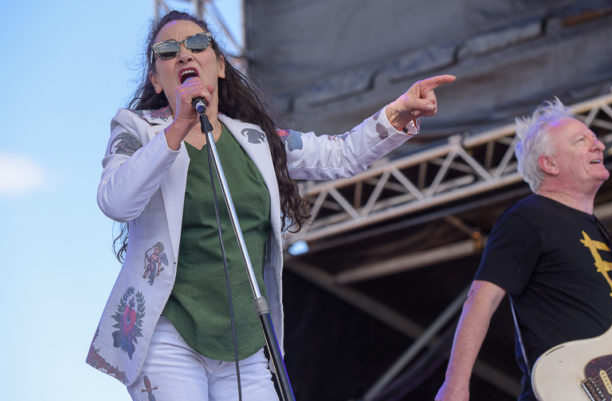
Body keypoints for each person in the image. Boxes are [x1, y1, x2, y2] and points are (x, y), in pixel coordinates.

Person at [86, 10, 455, 401]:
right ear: (156, 80)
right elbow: (115, 200)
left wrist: (397, 113)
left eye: (196, 44)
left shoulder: (257, 139)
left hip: (246, 341)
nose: (184, 54)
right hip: (169, 332)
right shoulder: (138, 130)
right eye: (167, 50)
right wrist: (178, 127)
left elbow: (339, 155)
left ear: (220, 66)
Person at [435, 99, 612, 401]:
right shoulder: (529, 216)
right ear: (549, 164)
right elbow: (482, 298)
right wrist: (455, 384)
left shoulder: (596, 229)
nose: (600, 145)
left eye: (595, 138)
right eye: (582, 140)